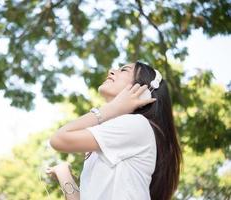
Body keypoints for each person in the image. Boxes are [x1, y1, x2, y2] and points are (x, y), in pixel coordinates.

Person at [47, 61, 183, 200]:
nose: (111, 71)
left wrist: (113, 108)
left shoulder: (136, 125)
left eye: (124, 70)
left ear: (144, 92)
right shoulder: (104, 143)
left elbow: (58, 139)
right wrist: (63, 173)